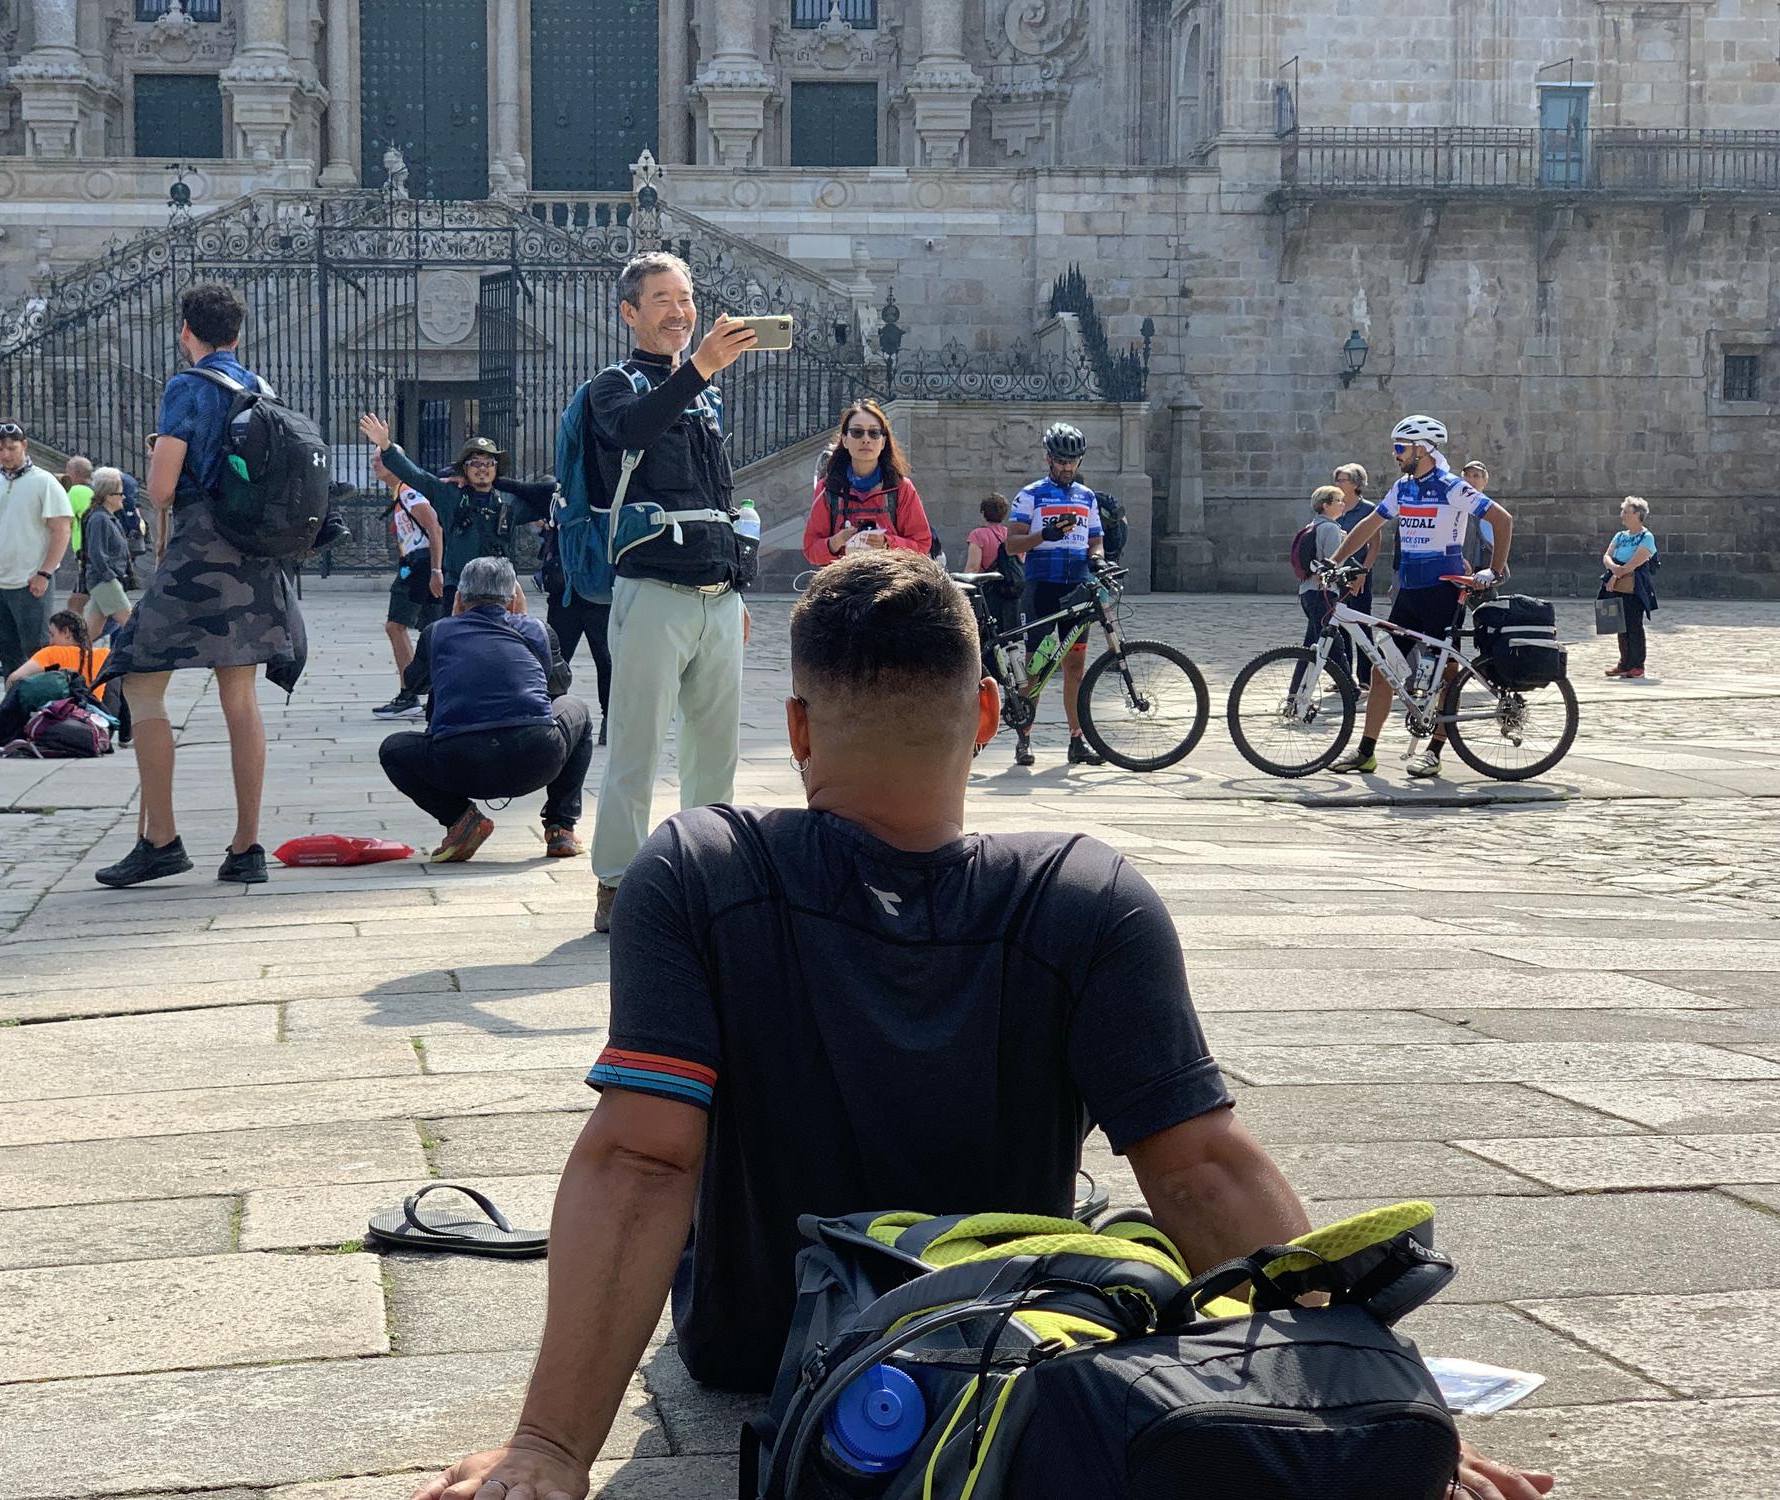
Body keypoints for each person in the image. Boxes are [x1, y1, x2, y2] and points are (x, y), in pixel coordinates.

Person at [405, 551, 1556, 1500]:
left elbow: (640, 1160)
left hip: (753, 1342)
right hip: (999, 1323)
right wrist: (1372, 1411)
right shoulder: (1082, 890)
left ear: (798, 729)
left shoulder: (701, 870)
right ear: (987, 713)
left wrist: (548, 1452)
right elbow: (1202, 1168)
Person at [94, 282, 307, 890]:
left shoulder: (188, 387)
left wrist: (162, 452)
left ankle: (160, 838)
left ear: (186, 330)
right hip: (255, 556)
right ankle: (246, 847)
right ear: (238, 333)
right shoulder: (260, 388)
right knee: (239, 699)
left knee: (139, 682)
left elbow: (160, 490)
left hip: (201, 553)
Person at [587, 252, 759, 935]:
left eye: (685, 297)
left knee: (715, 750)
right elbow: (631, 430)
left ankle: (708, 873)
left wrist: (737, 587)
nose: (679, 310)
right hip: (654, 589)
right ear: (630, 312)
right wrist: (700, 370)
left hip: (717, 594)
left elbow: (718, 494)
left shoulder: (705, 395)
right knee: (636, 742)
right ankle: (617, 883)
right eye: (662, 298)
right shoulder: (613, 385)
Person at [1329, 415, 1514, 778]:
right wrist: (1334, 560)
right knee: (1385, 669)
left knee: (1443, 673)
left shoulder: (1451, 486)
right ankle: (1366, 751)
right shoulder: (1403, 487)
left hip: (1443, 592)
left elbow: (1502, 519)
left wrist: (1492, 570)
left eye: (1400, 448)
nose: (1395, 454)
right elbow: (1370, 524)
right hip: (1409, 591)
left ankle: (1435, 750)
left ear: (1423, 449)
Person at [378, 556, 594, 862]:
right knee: (577, 710)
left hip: (459, 763)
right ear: (514, 595)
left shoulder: (437, 632)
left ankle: (461, 819)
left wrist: (449, 626)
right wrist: (528, 625)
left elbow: (415, 685)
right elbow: (559, 686)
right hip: (535, 757)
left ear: (460, 598)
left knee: (393, 749)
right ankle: (561, 827)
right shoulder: (537, 630)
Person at [359, 419, 545, 719]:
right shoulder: (450, 497)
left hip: (503, 594)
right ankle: (439, 710)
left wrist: (504, 483)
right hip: (461, 590)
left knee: (506, 649)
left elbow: (548, 491)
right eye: (475, 463)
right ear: (464, 470)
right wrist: (386, 446)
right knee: (452, 651)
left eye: (489, 464)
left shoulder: (508, 503)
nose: (482, 469)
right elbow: (415, 476)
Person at [1003, 421, 1105, 769]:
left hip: (1077, 586)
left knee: (1075, 666)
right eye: (1061, 460)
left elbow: (1095, 539)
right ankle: (1023, 736)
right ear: (1048, 458)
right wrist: (1042, 535)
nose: (1067, 467)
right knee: (1037, 664)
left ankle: (1077, 740)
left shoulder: (1086, 497)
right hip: (1042, 587)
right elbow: (1012, 543)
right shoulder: (1030, 495)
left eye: (1073, 461)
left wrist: (1099, 559)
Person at [354, 421, 447, 718]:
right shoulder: (401, 492)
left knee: (396, 627)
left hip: (418, 567)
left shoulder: (409, 492)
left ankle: (409, 693)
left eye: (380, 459)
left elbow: (434, 528)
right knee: (431, 632)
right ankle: (432, 693)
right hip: (417, 565)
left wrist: (435, 570)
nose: (375, 465)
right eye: (374, 460)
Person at [0, 421, 73, 677]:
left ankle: (44, 710)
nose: (5, 454)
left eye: (11, 448)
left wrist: (45, 573)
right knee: (6, 653)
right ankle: (14, 708)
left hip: (29, 581)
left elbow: (61, 529)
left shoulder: (44, 482)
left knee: (36, 652)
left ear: (24, 445)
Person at [800, 400, 931, 565]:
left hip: (891, 581)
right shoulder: (827, 489)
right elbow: (811, 549)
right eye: (857, 432)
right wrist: (836, 542)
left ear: (883, 442)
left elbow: (922, 544)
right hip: (841, 581)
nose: (866, 439)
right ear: (845, 440)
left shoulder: (901, 488)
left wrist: (887, 543)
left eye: (874, 433)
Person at [534, 477, 612, 745]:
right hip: (566, 595)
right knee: (555, 658)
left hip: (597, 596)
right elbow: (520, 490)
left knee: (605, 659)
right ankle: (552, 715)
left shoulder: (607, 498)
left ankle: (609, 720)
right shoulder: (558, 497)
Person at [1295, 485, 1358, 688]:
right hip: (1322, 592)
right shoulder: (1330, 528)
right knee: (1334, 644)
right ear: (1326, 505)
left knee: (1311, 646)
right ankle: (1350, 688)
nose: (1343, 504)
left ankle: (1295, 692)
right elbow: (1334, 562)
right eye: (1338, 501)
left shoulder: (1312, 525)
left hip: (1307, 591)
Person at [1331, 462, 1380, 685]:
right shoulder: (1333, 507)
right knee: (1339, 624)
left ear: (1356, 484)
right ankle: (1343, 676)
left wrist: (1363, 573)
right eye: (1338, 479)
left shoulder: (1368, 509)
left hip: (1358, 574)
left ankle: (1365, 677)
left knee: (1360, 624)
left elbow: (1375, 546)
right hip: (1337, 574)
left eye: (1343, 480)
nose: (1339, 484)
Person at [1601, 495, 1658, 680]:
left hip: (1634, 586)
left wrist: (1617, 573)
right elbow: (1607, 556)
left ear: (1637, 514)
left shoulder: (1646, 537)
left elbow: (1637, 560)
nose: (1622, 515)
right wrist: (1613, 568)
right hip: (1616, 584)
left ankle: (1637, 665)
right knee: (1620, 625)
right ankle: (1624, 662)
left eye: (1626, 512)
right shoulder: (1620, 535)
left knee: (1634, 625)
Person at [81, 467, 135, 641]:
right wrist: (111, 576)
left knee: (90, 633)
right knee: (132, 625)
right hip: (105, 581)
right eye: (120, 493)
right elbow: (96, 552)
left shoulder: (108, 517)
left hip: (105, 580)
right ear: (108, 496)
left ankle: (71, 661)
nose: (124, 497)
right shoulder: (99, 519)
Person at [963, 491, 1022, 630]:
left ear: (983, 512)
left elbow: (973, 568)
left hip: (990, 592)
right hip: (1011, 591)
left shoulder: (978, 534)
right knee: (1009, 634)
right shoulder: (1011, 535)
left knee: (989, 631)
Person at [60, 455, 96, 616]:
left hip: (86, 551)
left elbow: (64, 519)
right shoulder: (95, 489)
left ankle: (75, 635)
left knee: (77, 601)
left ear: (75, 472)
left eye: (67, 471)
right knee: (80, 599)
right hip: (95, 550)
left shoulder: (75, 491)